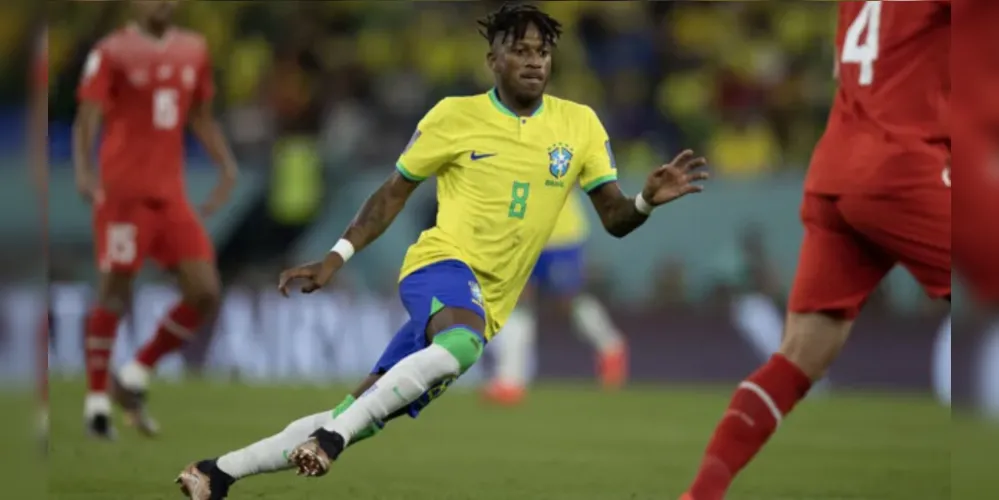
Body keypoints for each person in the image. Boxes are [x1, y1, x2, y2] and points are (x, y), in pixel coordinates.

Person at [175, 4, 708, 499]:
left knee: (360, 408)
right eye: (519, 50)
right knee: (462, 345)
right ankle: (331, 442)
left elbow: (615, 219)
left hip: (490, 302)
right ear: (492, 59)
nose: (533, 61)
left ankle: (218, 472)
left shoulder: (581, 125)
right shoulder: (454, 116)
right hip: (439, 266)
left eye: (542, 52)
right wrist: (335, 257)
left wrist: (645, 200)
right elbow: (392, 193)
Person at [682, 3, 950, 499]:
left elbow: (848, 67)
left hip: (835, 169)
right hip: (904, 167)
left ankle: (699, 495)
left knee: (801, 354)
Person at [74, 0, 238, 440]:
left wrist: (225, 163)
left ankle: (134, 374)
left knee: (205, 290)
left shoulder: (194, 49)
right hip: (124, 193)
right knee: (115, 288)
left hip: (171, 195)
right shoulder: (111, 51)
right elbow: (87, 116)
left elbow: (199, 115)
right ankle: (95, 405)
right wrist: (85, 172)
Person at [484, 189, 628, 405]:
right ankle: (509, 381)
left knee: (568, 300)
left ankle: (610, 348)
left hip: (560, 235)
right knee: (517, 301)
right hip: (520, 232)